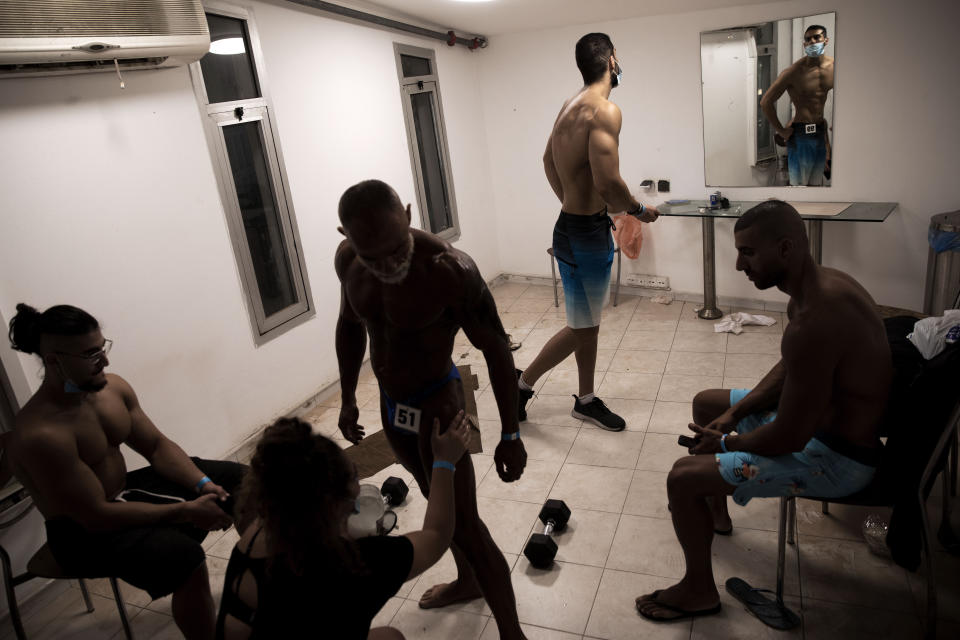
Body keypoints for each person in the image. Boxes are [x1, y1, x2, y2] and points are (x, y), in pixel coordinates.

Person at [636, 201, 891, 621]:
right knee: (708, 403)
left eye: (748, 253)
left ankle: (698, 590)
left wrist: (727, 442)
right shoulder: (819, 285)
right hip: (818, 428)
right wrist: (734, 416)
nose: (739, 265)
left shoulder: (815, 318)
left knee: (682, 478)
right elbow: (791, 368)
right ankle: (716, 512)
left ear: (786, 247)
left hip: (837, 460)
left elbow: (787, 437)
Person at [334, 180, 528, 639]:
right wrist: (346, 396)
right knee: (439, 503)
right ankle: (467, 582)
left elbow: (497, 350)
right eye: (372, 257)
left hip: (440, 404)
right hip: (392, 406)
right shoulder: (348, 261)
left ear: (407, 213)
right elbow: (348, 326)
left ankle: (513, 635)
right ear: (345, 236)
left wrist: (511, 433)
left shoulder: (451, 270)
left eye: (395, 248)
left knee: (467, 525)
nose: (388, 265)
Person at [6, 303, 247, 640]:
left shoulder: (112, 389)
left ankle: (263, 579)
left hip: (122, 494)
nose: (104, 361)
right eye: (91, 354)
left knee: (244, 482)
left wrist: (203, 484)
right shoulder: (42, 434)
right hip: (83, 532)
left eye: (102, 347)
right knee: (184, 557)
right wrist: (186, 511)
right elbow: (96, 515)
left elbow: (157, 447)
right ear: (53, 360)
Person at [216, 412, 471, 639]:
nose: (358, 488)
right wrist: (444, 461)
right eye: (353, 475)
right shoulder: (353, 565)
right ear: (334, 504)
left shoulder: (251, 540)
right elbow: (436, 536)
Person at [517, 32, 659, 432]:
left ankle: (586, 398)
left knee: (587, 321)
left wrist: (570, 202)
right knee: (583, 327)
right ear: (612, 59)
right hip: (586, 235)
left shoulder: (570, 105)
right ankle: (522, 385)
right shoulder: (605, 111)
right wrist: (639, 210)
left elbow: (548, 159)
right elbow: (609, 183)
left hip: (570, 226)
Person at [760, 24, 835, 186]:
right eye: (808, 39)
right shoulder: (793, 72)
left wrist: (828, 144)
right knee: (800, 189)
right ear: (804, 44)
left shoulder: (835, 68)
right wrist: (782, 131)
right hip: (801, 135)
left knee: (817, 188)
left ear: (826, 40)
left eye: (817, 37)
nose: (812, 42)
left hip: (820, 132)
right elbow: (765, 102)